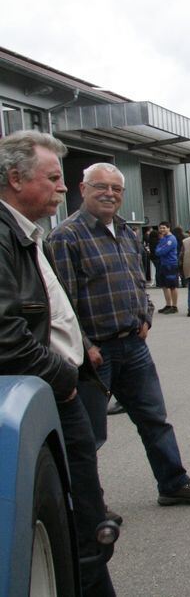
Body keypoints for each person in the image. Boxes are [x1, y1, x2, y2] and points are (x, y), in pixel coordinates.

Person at [48, 162, 190, 507]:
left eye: (116, 188)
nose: (109, 193)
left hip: (133, 345)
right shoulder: (66, 236)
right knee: (89, 436)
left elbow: (138, 280)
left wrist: (146, 315)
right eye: (101, 186)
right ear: (83, 189)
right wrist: (85, 345)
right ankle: (87, 507)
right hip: (95, 354)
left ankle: (173, 483)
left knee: (154, 419)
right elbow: (62, 299)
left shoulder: (126, 232)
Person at [0, 131, 116, 595]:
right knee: (79, 514)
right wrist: (64, 379)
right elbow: (6, 334)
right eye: (53, 178)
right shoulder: (6, 236)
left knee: (84, 506)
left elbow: (50, 307)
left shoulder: (23, 232)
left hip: (61, 382)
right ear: (14, 178)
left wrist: (80, 345)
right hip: (47, 389)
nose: (63, 188)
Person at [154, 221, 179, 313]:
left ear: (168, 228)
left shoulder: (171, 239)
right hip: (163, 264)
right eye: (160, 228)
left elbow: (161, 251)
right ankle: (168, 305)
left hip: (171, 264)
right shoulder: (163, 238)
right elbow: (157, 250)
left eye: (164, 228)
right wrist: (160, 249)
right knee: (164, 286)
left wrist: (160, 249)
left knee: (172, 286)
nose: (162, 229)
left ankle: (174, 306)